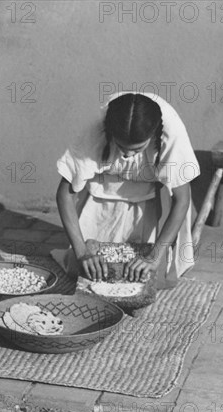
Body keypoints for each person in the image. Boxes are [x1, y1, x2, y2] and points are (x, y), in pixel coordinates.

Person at [54, 92, 200, 289]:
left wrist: (155, 257)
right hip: (101, 195)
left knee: (153, 278)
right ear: (110, 133)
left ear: (154, 134)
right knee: (85, 273)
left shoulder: (171, 131)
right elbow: (65, 193)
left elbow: (182, 200)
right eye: (121, 146)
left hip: (150, 196)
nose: (127, 154)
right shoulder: (96, 127)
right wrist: (82, 252)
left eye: (138, 149)